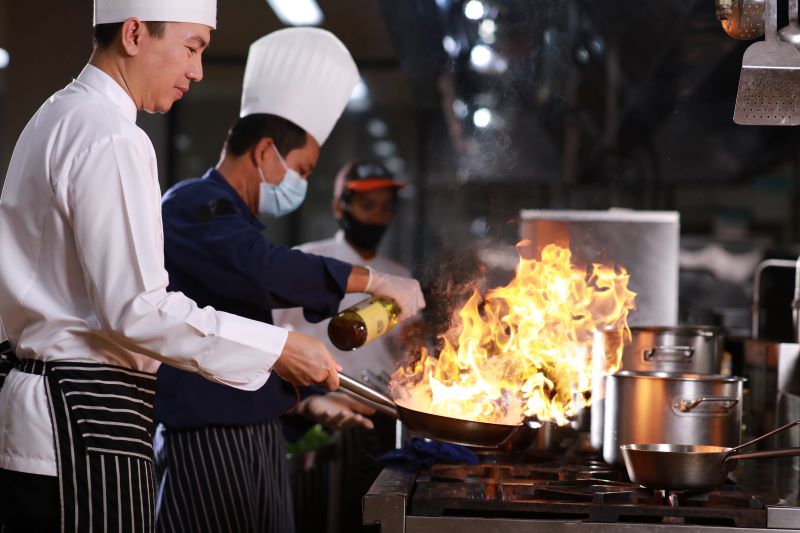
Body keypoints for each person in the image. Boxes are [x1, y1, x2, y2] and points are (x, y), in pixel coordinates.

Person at [0, 3, 340, 532]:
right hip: (82, 421)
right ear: (135, 33)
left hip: (54, 415)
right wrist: (277, 349)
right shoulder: (111, 134)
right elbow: (137, 311)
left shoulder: (57, 113)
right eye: (192, 47)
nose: (197, 70)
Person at [152, 29, 426, 533]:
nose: (299, 182)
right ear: (264, 153)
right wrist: (373, 279)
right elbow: (265, 267)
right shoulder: (190, 206)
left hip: (256, 431)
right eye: (301, 168)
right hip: (208, 437)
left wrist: (308, 401)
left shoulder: (234, 220)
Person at [273, 159, 413, 532]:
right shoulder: (306, 262)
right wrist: (308, 401)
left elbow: (409, 355)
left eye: (385, 208)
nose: (377, 217)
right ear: (341, 207)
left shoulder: (399, 276)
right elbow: (274, 347)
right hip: (318, 418)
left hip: (381, 422)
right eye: (367, 206)